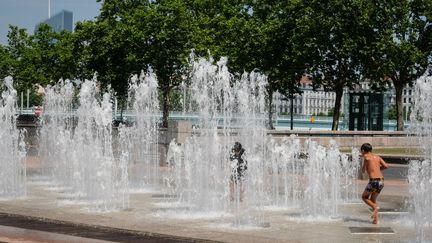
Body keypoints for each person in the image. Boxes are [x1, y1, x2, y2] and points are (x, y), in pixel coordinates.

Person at [360, 143, 389, 224]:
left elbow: (363, 170)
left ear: (363, 150)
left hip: (373, 181)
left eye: (361, 151)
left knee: (364, 197)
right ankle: (375, 220)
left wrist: (364, 168)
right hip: (381, 181)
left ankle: (375, 207)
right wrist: (378, 169)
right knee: (373, 200)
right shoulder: (377, 157)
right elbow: (386, 166)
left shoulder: (366, 157)